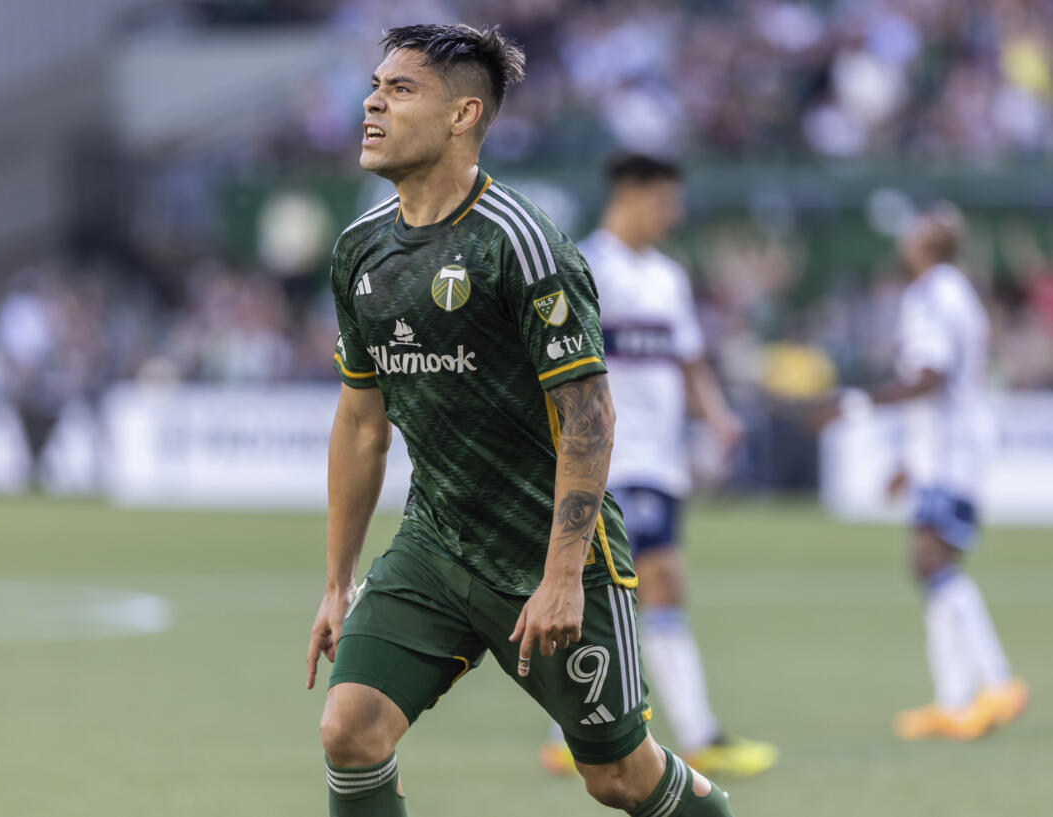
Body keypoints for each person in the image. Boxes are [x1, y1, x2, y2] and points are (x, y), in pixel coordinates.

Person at [305, 24, 734, 817]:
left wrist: (565, 574)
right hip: (435, 544)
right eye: (375, 86)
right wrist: (338, 580)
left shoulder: (523, 243)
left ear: (464, 114)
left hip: (550, 554)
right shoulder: (359, 251)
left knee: (618, 777)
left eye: (401, 91)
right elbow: (362, 424)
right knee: (350, 727)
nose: (372, 102)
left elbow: (590, 414)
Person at [539, 155, 777, 779]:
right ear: (630, 195)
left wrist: (719, 417)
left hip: (661, 463)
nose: (674, 214)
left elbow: (688, 362)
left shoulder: (669, 277)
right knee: (658, 583)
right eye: (666, 201)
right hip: (612, 460)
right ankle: (699, 734)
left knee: (617, 593)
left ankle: (568, 734)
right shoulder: (587, 265)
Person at [811, 203, 1029, 740]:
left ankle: (996, 682)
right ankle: (954, 701)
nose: (905, 240)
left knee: (932, 560)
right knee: (932, 564)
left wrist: (852, 405)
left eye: (914, 232)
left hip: (952, 449)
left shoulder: (932, 294)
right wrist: (908, 460)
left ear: (927, 243)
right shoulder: (952, 291)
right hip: (943, 448)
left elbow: (930, 377)